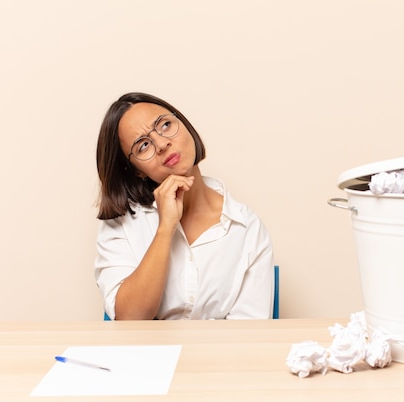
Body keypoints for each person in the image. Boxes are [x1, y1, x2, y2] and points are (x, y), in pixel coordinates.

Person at [94, 92, 274, 320]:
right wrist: (165, 228)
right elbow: (129, 319)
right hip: (146, 355)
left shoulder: (246, 227)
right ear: (137, 169)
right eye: (143, 146)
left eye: (165, 125)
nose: (161, 144)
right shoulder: (122, 222)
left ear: (184, 125)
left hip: (221, 356)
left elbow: (248, 336)